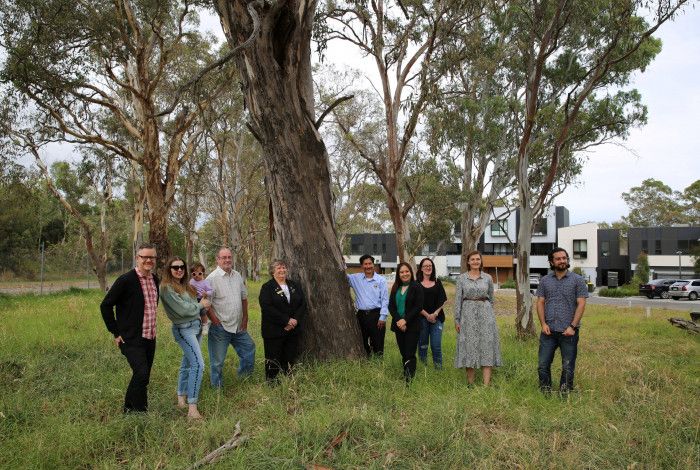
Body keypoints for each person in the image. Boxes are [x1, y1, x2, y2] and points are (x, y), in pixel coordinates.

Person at [100, 243, 160, 413]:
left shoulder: (154, 279)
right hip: (131, 338)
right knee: (141, 373)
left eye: (152, 257)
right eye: (145, 257)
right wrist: (116, 332)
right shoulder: (126, 280)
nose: (148, 260)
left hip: (150, 336)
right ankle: (134, 411)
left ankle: (136, 409)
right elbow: (105, 305)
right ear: (137, 258)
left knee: (144, 376)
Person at [159, 256, 210, 419]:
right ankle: (192, 408)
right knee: (198, 364)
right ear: (169, 270)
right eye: (175, 267)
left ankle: (181, 398)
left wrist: (201, 306)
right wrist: (201, 305)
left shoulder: (185, 286)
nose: (179, 269)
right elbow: (183, 310)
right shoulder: (166, 288)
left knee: (187, 363)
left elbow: (194, 304)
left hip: (195, 327)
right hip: (184, 329)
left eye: (182, 267)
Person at [536, 247, 588, 394]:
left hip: (569, 332)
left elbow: (582, 303)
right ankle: (545, 392)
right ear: (552, 262)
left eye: (564, 258)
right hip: (548, 331)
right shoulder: (545, 281)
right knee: (543, 365)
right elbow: (540, 302)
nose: (562, 261)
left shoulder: (577, 280)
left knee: (568, 366)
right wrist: (543, 324)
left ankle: (565, 393)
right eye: (558, 259)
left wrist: (573, 326)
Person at [206, 247, 256, 387]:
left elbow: (244, 298)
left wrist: (245, 318)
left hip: (238, 325)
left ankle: (244, 379)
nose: (227, 260)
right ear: (218, 259)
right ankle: (217, 389)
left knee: (249, 349)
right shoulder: (211, 279)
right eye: (224, 257)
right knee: (217, 361)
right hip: (220, 327)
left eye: (229, 257)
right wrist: (215, 320)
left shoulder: (237, 276)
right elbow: (206, 304)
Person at [454, 250, 501, 386]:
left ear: (481, 261)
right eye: (472, 259)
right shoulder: (462, 278)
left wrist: (486, 311)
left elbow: (491, 299)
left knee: (486, 345)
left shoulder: (488, 278)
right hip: (467, 316)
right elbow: (458, 300)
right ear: (468, 262)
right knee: (469, 347)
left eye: (478, 259)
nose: (475, 261)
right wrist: (457, 319)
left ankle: (486, 386)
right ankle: (470, 384)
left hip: (486, 316)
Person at [258, 259, 307, 382]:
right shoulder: (267, 287)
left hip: (292, 330)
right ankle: (272, 383)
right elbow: (267, 307)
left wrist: (294, 320)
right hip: (274, 331)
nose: (282, 270)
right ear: (272, 271)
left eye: (283, 267)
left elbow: (302, 304)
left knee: (290, 357)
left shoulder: (294, 285)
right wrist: (286, 320)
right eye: (278, 268)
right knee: (273, 359)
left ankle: (289, 381)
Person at [347, 254, 389, 358]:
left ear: (373, 265)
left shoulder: (381, 280)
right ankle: (367, 361)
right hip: (361, 316)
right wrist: (342, 263)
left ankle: (378, 365)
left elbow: (385, 300)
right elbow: (343, 277)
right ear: (362, 266)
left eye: (370, 263)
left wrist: (383, 317)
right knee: (362, 341)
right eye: (365, 264)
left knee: (378, 343)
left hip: (376, 315)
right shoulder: (356, 278)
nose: (368, 266)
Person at [388, 262, 424, 381]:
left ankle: (409, 381)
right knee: (403, 352)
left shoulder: (416, 286)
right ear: (398, 274)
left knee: (410, 353)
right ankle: (406, 374)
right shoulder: (395, 287)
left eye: (407, 271)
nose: (404, 274)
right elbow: (391, 307)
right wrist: (399, 321)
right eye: (402, 272)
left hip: (412, 326)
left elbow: (418, 306)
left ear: (411, 272)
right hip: (398, 325)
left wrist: (405, 320)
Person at [416, 258, 448, 368]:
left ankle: (438, 370)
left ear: (432, 267)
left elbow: (443, 299)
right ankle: (422, 368)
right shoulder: (416, 284)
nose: (428, 268)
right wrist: (427, 315)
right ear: (421, 268)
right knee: (422, 346)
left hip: (437, 318)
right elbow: (415, 303)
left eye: (430, 265)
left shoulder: (437, 282)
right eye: (425, 266)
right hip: (421, 319)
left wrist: (434, 314)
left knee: (436, 346)